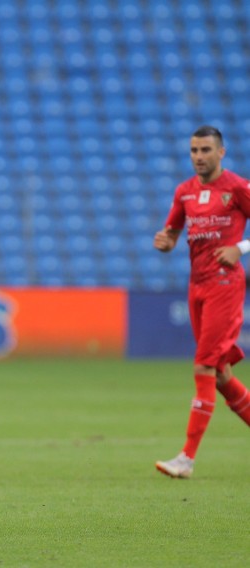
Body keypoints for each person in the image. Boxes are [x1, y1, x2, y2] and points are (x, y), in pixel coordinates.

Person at [153, 125, 250, 478]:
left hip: (226, 285)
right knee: (221, 374)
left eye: (206, 150)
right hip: (196, 286)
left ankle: (187, 458)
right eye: (194, 150)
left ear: (221, 152)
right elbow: (171, 235)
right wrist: (165, 242)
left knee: (204, 367)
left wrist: (240, 248)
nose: (198, 157)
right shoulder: (184, 193)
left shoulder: (237, 188)